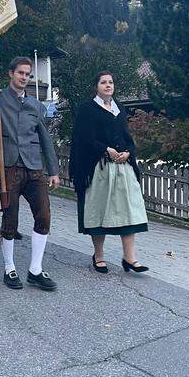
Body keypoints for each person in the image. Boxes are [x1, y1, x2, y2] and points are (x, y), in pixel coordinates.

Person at [0, 55, 60, 291]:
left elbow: (45, 139)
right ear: (11, 73)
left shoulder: (36, 106)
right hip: (8, 166)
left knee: (44, 216)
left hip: (33, 167)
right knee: (10, 219)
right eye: (20, 73)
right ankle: (9, 268)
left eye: (27, 74)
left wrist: (53, 170)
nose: (24, 77)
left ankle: (35, 270)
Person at [69, 71, 149, 273]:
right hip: (99, 168)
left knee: (128, 211)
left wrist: (128, 152)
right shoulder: (87, 109)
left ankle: (130, 258)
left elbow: (127, 137)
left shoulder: (119, 108)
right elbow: (83, 138)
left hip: (122, 169)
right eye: (103, 82)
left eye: (111, 82)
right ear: (96, 86)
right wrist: (106, 149)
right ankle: (99, 255)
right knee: (99, 211)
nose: (108, 85)